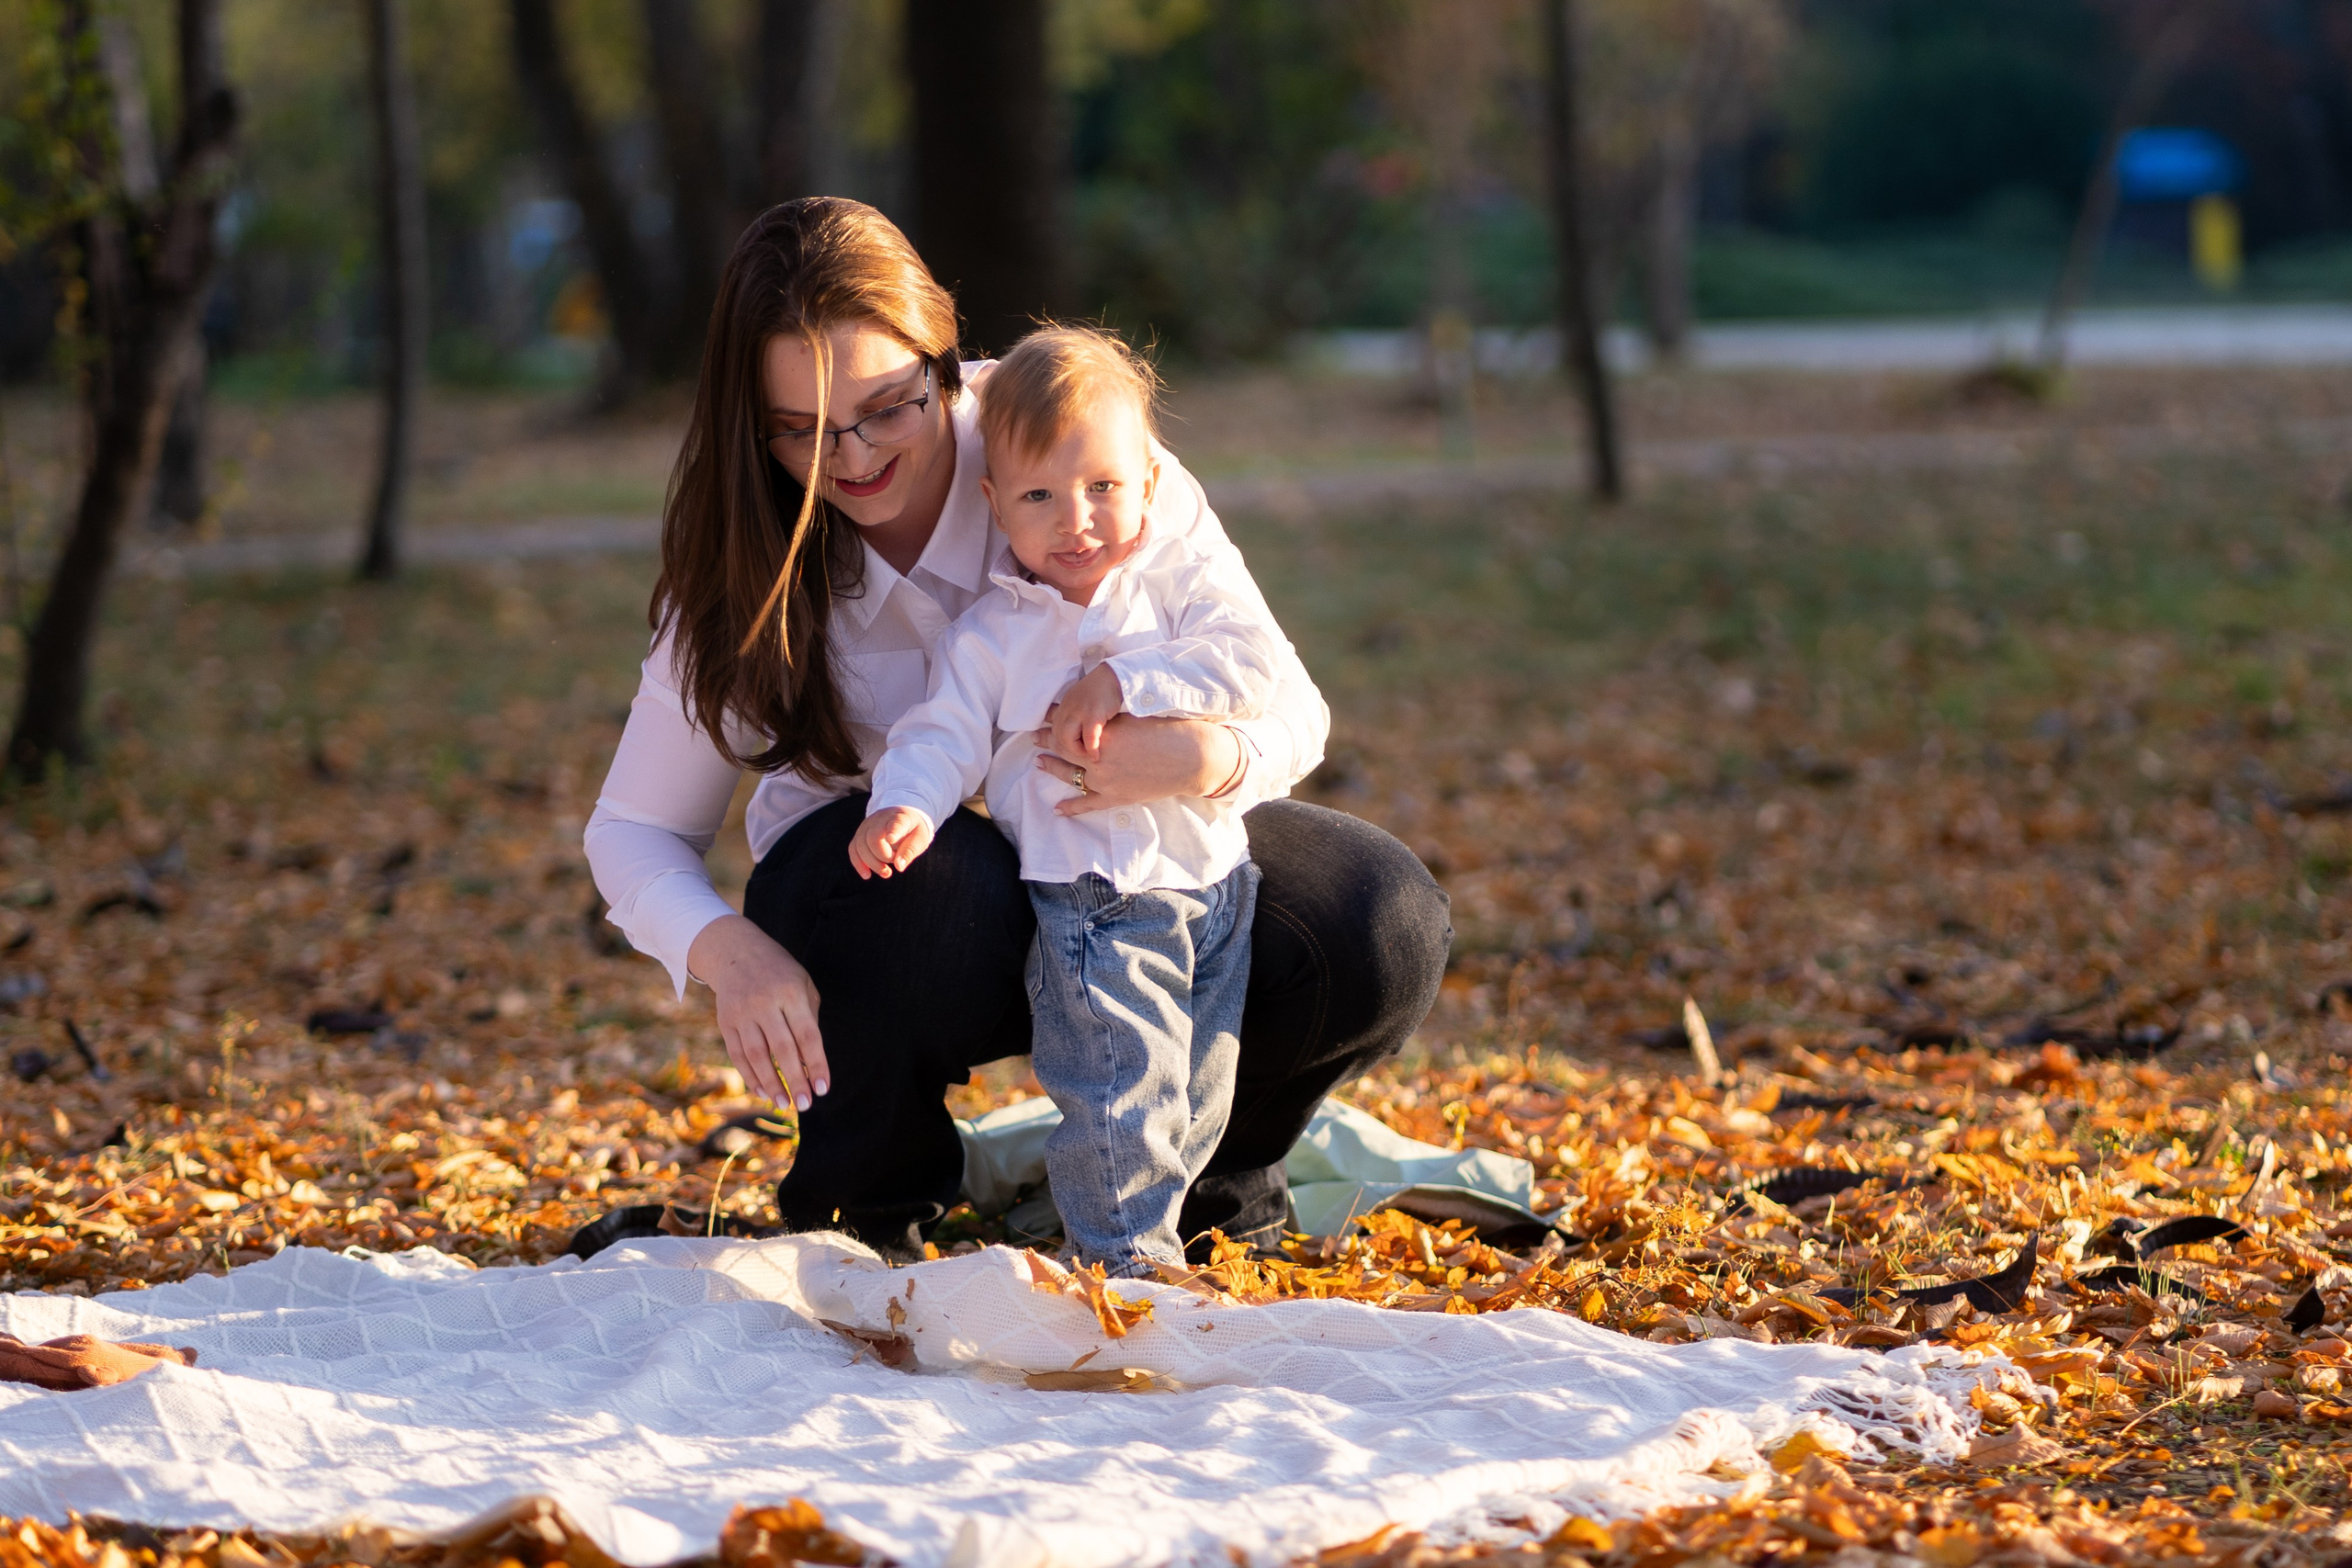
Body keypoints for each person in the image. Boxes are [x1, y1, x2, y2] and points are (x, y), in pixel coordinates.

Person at [583, 197, 1451, 1261]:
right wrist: (726, 953)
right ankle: (872, 1210)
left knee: (1372, 917)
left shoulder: (1077, 443)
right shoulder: (739, 557)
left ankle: (1202, 1183)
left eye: (886, 408)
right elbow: (630, 830)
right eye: (801, 430)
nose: (851, 458)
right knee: (913, 876)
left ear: (944, 362)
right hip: (915, 924)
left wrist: (1197, 755)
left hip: (1132, 863)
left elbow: (1290, 704)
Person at [852, 326, 1277, 1275]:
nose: (1075, 520)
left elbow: (1249, 663)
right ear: (996, 506)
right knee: (1118, 1082)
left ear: (1149, 488)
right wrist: (910, 805)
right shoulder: (996, 633)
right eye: (1039, 497)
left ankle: (1134, 1228)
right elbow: (941, 732)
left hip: (1214, 883)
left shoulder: (1176, 595)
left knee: (1197, 1087)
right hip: (1094, 896)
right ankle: (1122, 1264)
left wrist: (1127, 683)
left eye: (1101, 489)